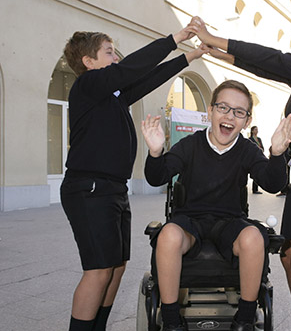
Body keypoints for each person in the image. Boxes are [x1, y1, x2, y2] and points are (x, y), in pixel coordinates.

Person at [190, 16, 291, 331]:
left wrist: (216, 38)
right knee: (289, 257)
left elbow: (276, 60)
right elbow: (269, 68)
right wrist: (221, 55)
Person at [60, 22, 206, 331]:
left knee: (116, 267)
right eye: (109, 52)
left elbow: (146, 78)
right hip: (89, 188)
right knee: (99, 269)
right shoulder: (88, 85)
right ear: (88, 62)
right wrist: (174, 38)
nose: (116, 58)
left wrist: (188, 57)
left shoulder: (111, 94)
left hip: (113, 189)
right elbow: (131, 69)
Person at [141, 80, 291, 331]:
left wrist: (277, 155)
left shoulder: (246, 149)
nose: (229, 116)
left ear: (246, 121)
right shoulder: (191, 144)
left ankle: (244, 319)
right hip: (190, 222)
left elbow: (271, 183)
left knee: (254, 238)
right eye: (223, 107)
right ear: (210, 111)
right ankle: (171, 321)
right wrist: (156, 152)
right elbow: (157, 177)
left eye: (239, 112)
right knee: (167, 235)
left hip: (230, 222)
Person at [249, 126, 264, 194]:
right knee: (253, 172)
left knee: (258, 171)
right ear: (252, 131)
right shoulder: (250, 139)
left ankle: (256, 188)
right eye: (255, 129)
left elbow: (262, 146)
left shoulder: (259, 139)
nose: (256, 131)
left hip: (259, 156)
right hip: (252, 157)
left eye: (257, 129)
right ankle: (254, 189)